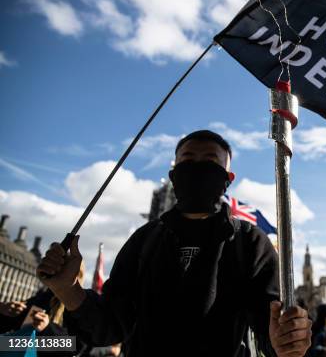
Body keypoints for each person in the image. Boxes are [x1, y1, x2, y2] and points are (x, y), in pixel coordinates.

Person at [36, 130, 312, 356]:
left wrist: (288, 340)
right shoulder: (144, 239)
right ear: (174, 174)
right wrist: (67, 289)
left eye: (210, 161)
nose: (197, 166)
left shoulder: (250, 242)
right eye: (188, 159)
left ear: (227, 179)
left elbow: (271, 329)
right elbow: (108, 327)